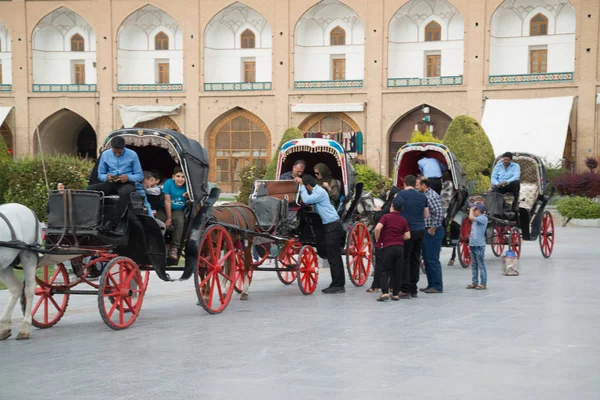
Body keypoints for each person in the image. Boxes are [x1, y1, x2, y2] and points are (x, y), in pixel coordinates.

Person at [294, 174, 346, 294]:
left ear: (308, 186)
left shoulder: (320, 192)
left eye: (305, 187)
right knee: (334, 257)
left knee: (334, 257)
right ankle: (337, 284)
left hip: (332, 225)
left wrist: (301, 186)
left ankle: (338, 285)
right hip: (330, 224)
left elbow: (306, 199)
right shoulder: (317, 191)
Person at [87, 136, 143, 233]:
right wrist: (107, 177)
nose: (117, 155)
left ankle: (113, 225)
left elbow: (140, 175)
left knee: (124, 192)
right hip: (111, 182)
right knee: (90, 190)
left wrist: (128, 177)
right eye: (114, 152)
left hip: (127, 183)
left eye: (119, 153)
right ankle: (91, 221)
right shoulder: (105, 154)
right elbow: (100, 174)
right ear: (111, 148)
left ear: (123, 148)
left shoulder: (132, 155)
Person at [396, 175, 429, 298]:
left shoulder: (401, 195)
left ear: (404, 183)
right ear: (415, 183)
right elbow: (426, 215)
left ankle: (405, 289)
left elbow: (394, 211)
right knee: (415, 259)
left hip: (407, 230)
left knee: (405, 259)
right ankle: (414, 288)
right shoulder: (422, 196)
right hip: (420, 230)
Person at [373, 196, 410, 301]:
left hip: (387, 246)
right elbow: (408, 236)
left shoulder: (385, 217)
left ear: (392, 206)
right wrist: (398, 238)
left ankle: (385, 293)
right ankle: (395, 294)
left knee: (385, 270)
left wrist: (378, 239)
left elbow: (377, 228)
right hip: (400, 247)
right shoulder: (403, 220)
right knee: (397, 270)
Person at [367, 186, 401, 293]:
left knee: (380, 263)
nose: (386, 194)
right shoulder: (397, 207)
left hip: (384, 239)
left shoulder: (388, 206)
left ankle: (377, 286)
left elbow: (378, 220)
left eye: (388, 192)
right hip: (396, 241)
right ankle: (392, 288)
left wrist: (377, 211)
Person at [417, 177, 445, 294]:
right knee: (427, 259)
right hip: (427, 230)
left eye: (418, 185)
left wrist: (434, 227)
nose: (416, 187)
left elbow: (439, 213)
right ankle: (431, 284)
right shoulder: (426, 196)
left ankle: (437, 285)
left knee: (433, 259)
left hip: (432, 231)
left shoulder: (431, 196)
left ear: (424, 186)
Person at [161, 167, 189, 259]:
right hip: (165, 208)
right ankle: (158, 243)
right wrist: (169, 218)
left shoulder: (188, 186)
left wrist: (189, 196)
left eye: (183, 177)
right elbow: (167, 200)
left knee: (179, 220)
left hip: (178, 209)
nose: (180, 179)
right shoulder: (169, 183)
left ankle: (175, 246)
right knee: (158, 221)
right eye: (178, 176)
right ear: (173, 177)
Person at [466, 203, 488, 290]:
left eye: (475, 210)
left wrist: (470, 210)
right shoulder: (477, 219)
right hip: (473, 244)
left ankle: (483, 283)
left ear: (478, 210)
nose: (473, 211)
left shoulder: (483, 218)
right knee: (474, 265)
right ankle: (474, 282)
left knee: (481, 265)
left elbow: (471, 218)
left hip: (479, 245)